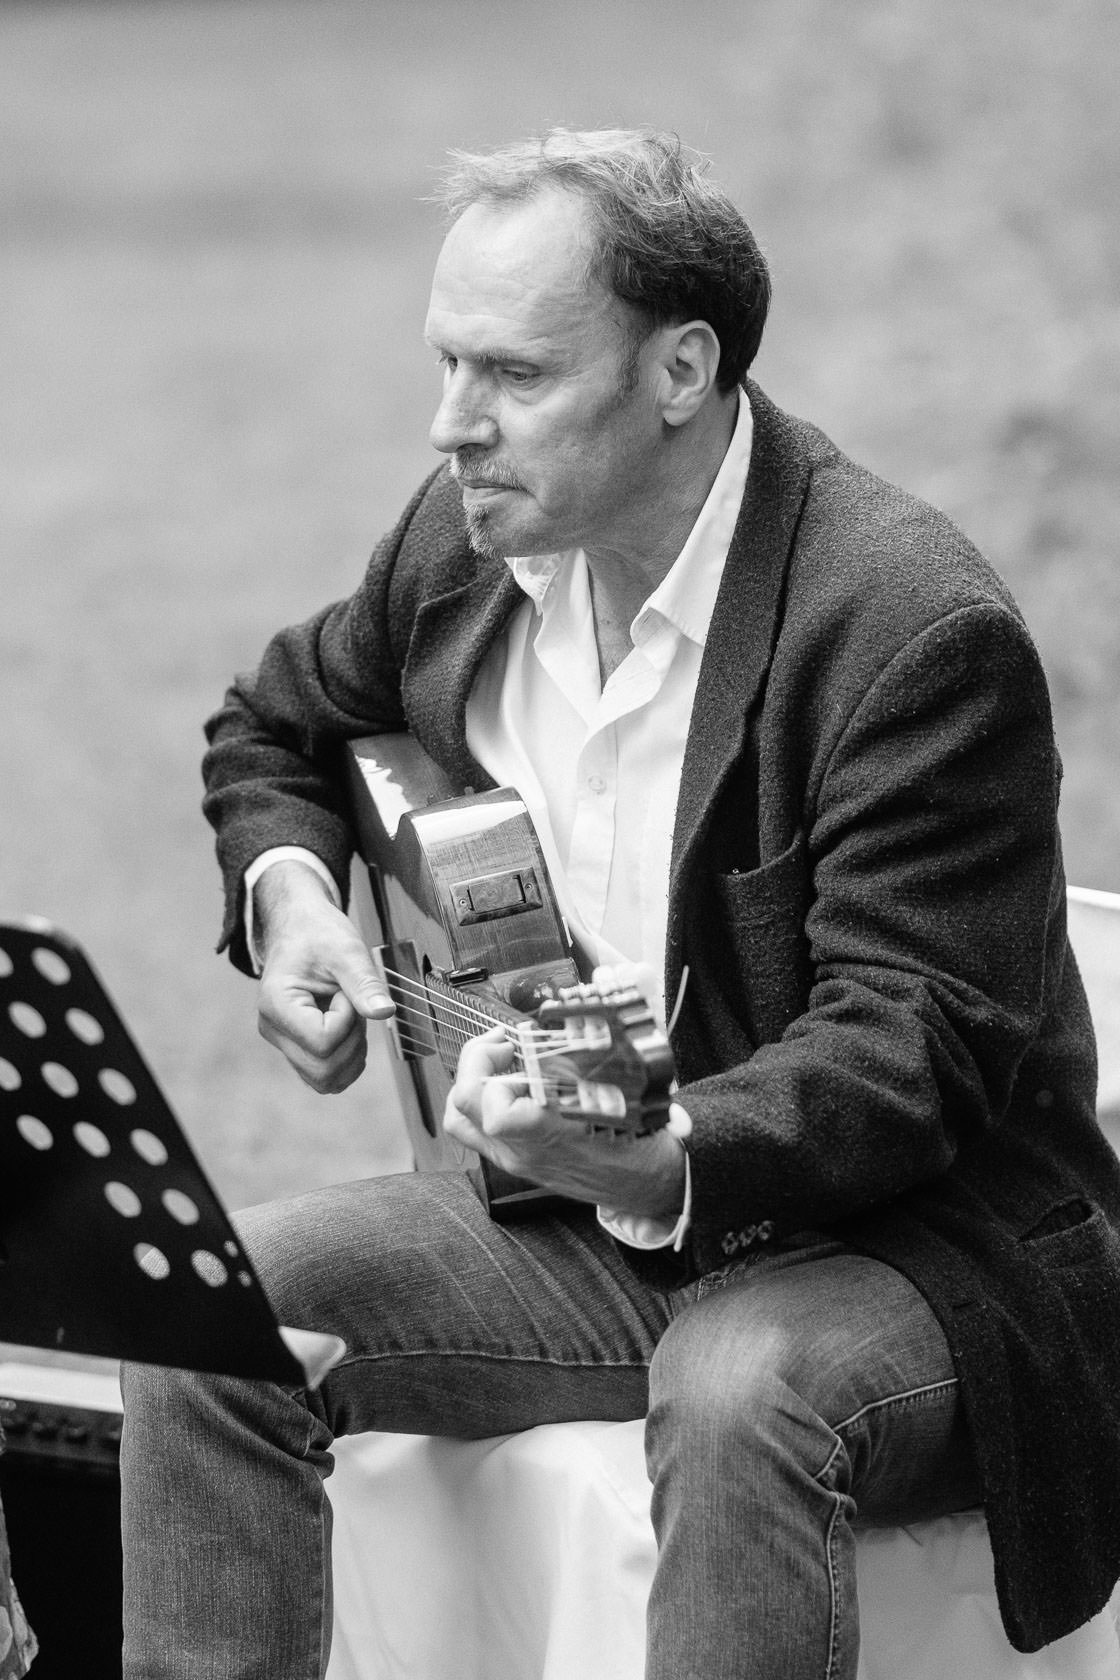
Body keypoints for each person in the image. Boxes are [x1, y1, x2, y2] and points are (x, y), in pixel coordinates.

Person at [120, 128, 1120, 1679]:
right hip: (589, 1223)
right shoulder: (469, 542)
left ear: (680, 370)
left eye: (511, 375)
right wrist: (297, 894)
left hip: (913, 1249)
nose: (452, 426)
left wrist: (660, 1148)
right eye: (449, 365)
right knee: (213, 1303)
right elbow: (281, 721)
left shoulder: (907, 626)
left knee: (737, 1390)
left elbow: (916, 1045)